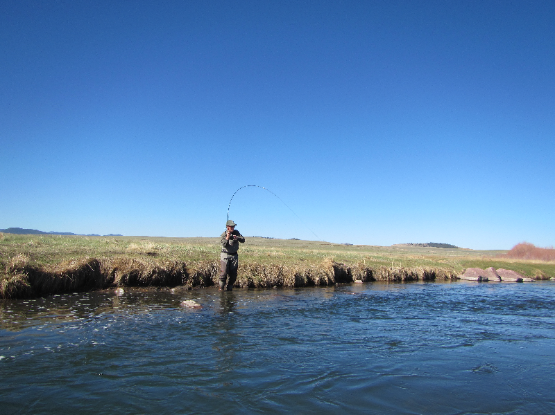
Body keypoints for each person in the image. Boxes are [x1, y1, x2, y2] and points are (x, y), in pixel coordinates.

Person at [219, 219, 245, 291]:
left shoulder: (236, 232)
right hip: (225, 255)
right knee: (223, 273)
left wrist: (237, 238)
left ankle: (229, 289)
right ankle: (221, 289)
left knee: (233, 275)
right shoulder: (224, 234)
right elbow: (224, 244)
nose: (233, 228)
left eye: (233, 227)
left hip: (234, 256)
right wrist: (227, 237)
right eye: (231, 227)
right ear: (227, 227)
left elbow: (243, 240)